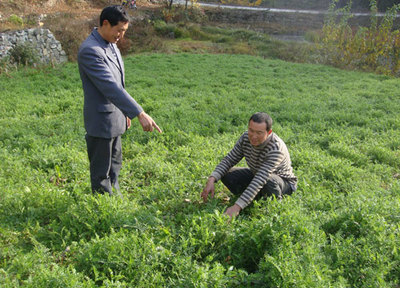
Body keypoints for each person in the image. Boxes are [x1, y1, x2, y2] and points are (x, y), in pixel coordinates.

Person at [78, 5, 161, 196]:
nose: (120, 36)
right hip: (101, 121)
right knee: (101, 173)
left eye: (124, 31)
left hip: (115, 117)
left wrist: (124, 112)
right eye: (119, 31)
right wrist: (138, 112)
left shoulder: (111, 45)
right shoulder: (90, 51)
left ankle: (116, 201)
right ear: (105, 24)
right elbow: (110, 87)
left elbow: (119, 83)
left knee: (115, 166)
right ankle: (104, 211)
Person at [201, 112, 297, 218]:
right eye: (251, 130)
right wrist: (211, 179)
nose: (253, 136)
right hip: (257, 174)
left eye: (259, 133)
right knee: (226, 173)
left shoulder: (276, 148)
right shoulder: (245, 138)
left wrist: (237, 207)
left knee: (268, 180)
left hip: (282, 183)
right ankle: (253, 198)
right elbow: (229, 159)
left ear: (269, 132)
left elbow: (261, 178)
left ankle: (271, 204)